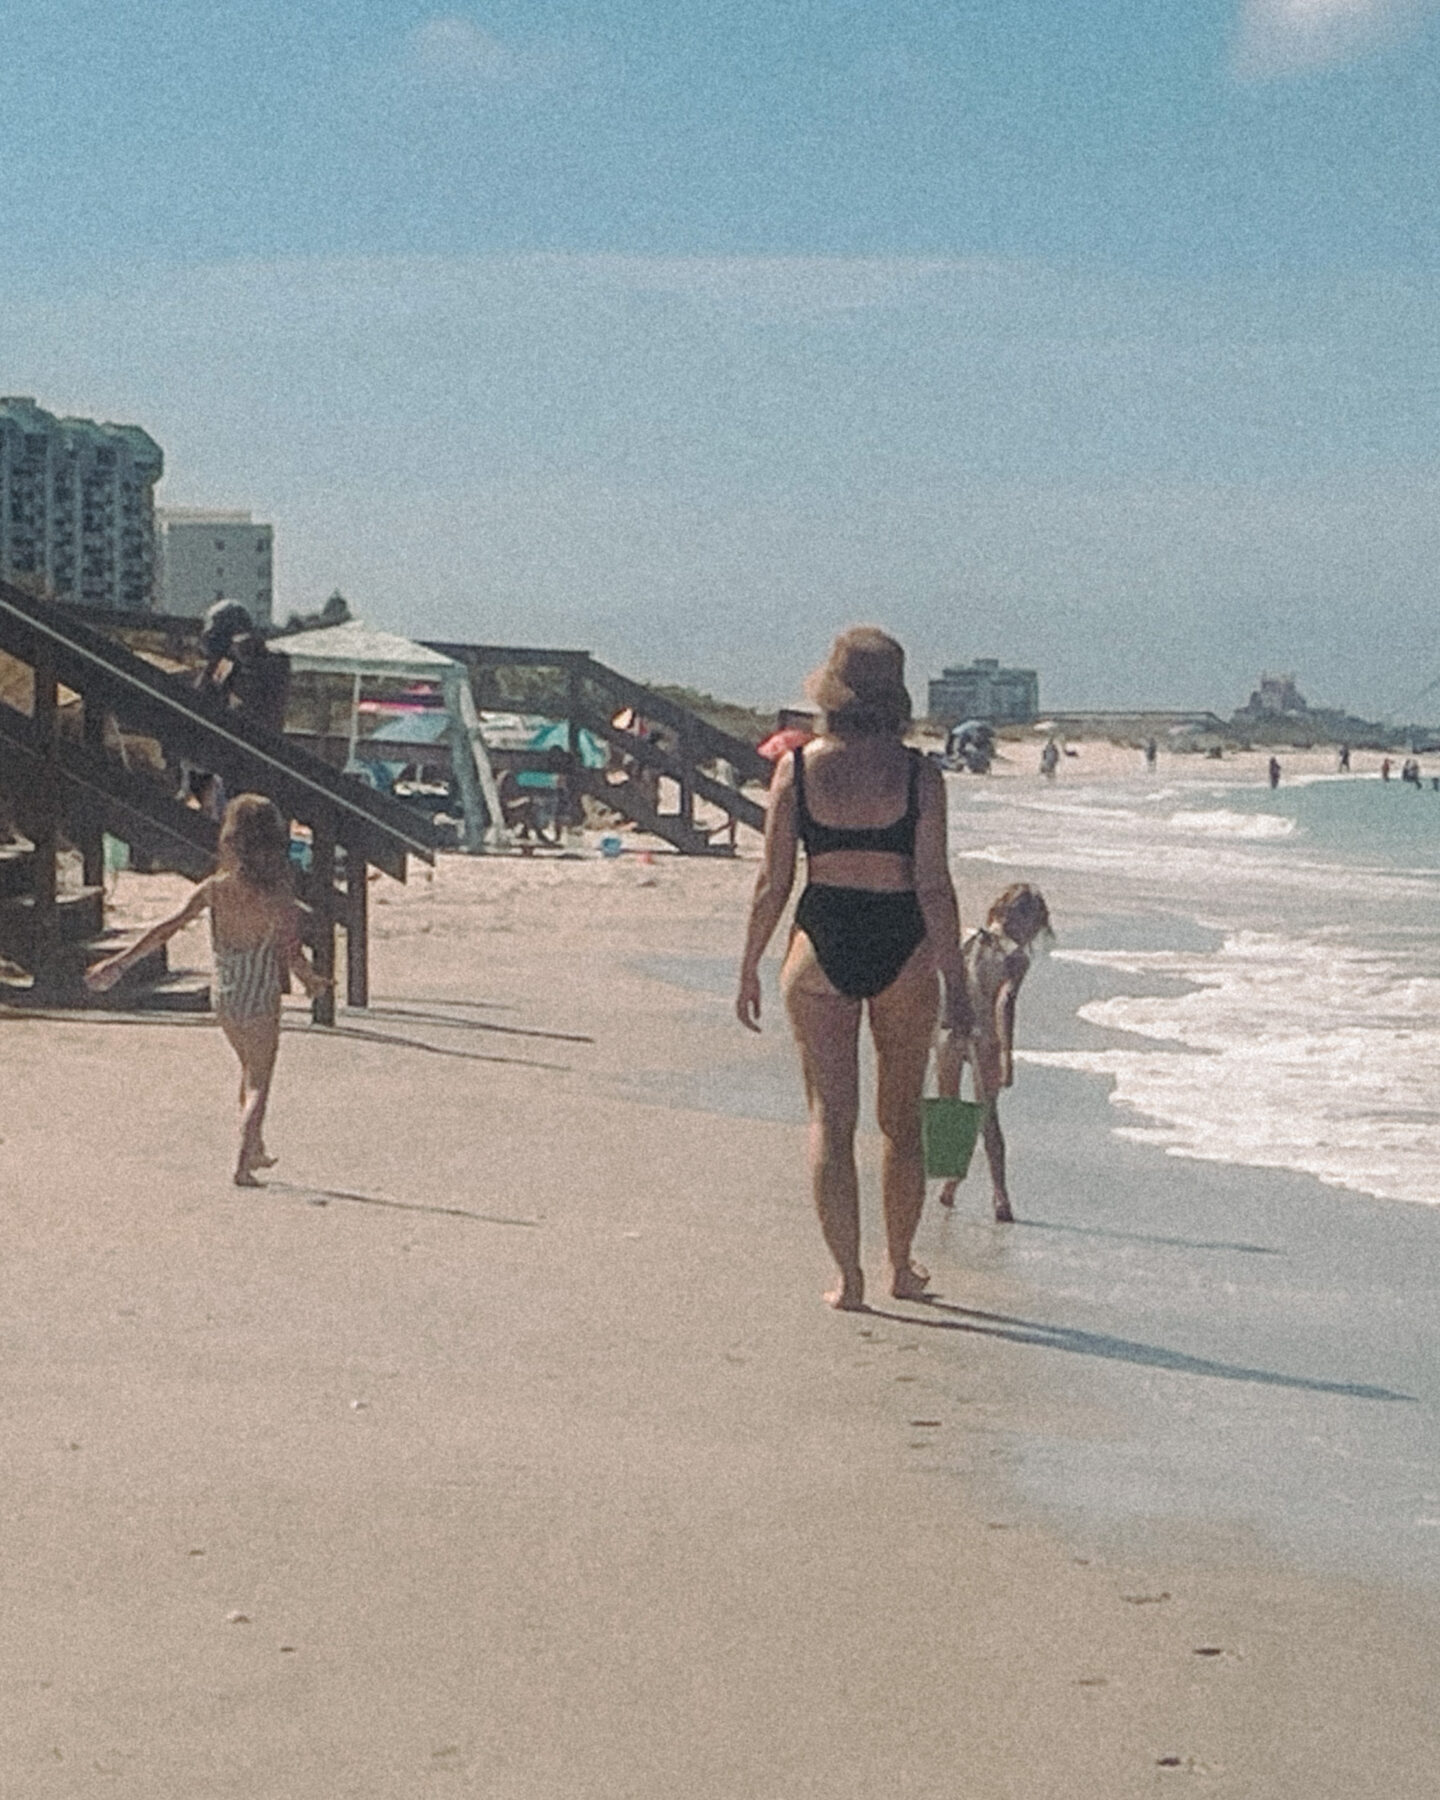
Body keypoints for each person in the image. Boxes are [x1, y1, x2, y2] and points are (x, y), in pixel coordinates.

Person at [736, 628, 970, 1310]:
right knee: (902, 1123)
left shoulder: (800, 768)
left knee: (828, 1122)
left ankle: (851, 1280)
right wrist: (957, 979)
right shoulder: (921, 775)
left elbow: (772, 882)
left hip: (821, 941)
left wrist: (750, 961)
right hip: (904, 943)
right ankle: (900, 1266)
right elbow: (934, 885)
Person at [85, 794, 329, 1186]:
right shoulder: (278, 896)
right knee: (259, 1080)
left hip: (226, 996)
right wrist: (312, 982)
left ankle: (257, 1147)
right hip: (261, 994)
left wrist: (118, 964)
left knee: (247, 1068)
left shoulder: (214, 888)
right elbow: (291, 953)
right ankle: (242, 1160)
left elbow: (165, 929)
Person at [934, 883, 1052, 1223]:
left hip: (950, 1027)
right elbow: (1005, 1003)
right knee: (988, 1116)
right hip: (986, 1036)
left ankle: (951, 1182)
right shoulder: (1015, 958)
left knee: (950, 1106)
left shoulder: (966, 938)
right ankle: (1000, 1194)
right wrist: (1006, 1053)